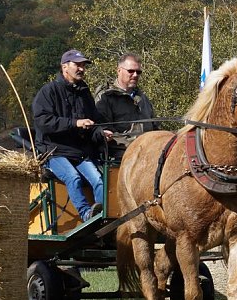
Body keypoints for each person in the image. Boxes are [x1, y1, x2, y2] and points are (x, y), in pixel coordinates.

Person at [32, 49, 113, 222]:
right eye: (77, 65)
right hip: (54, 151)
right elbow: (43, 121)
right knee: (73, 178)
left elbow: (94, 120)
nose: (82, 69)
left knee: (100, 181)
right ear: (64, 67)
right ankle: (86, 214)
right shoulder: (49, 91)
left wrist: (101, 133)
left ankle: (101, 217)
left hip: (79, 151)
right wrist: (74, 123)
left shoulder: (84, 93)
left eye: (83, 65)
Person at [95, 53, 157, 160]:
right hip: (121, 156)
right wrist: (135, 145)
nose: (135, 75)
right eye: (131, 71)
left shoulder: (142, 98)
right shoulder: (106, 97)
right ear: (119, 70)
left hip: (148, 152)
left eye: (138, 72)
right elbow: (105, 130)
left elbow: (155, 127)